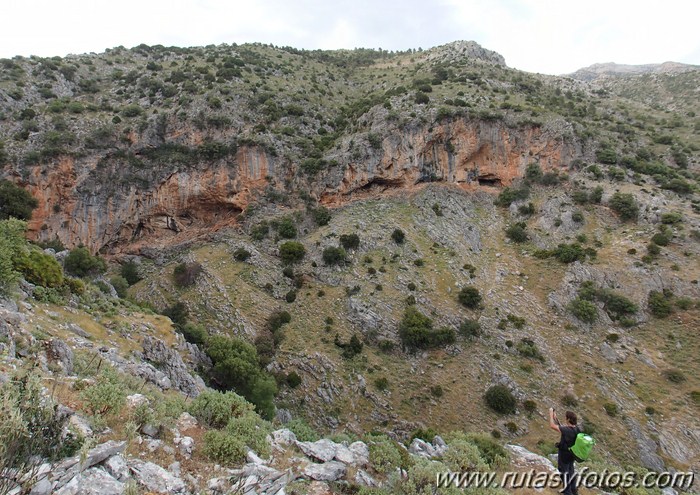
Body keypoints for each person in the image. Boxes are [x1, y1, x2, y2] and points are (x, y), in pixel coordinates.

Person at [549, 407, 580, 495]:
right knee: (571, 471)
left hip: (564, 455)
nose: (565, 418)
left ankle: (568, 492)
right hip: (572, 455)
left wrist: (551, 414)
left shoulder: (567, 430)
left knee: (564, 473)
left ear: (569, 419)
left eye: (566, 417)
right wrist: (555, 418)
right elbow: (562, 429)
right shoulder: (576, 429)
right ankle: (574, 491)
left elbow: (552, 426)